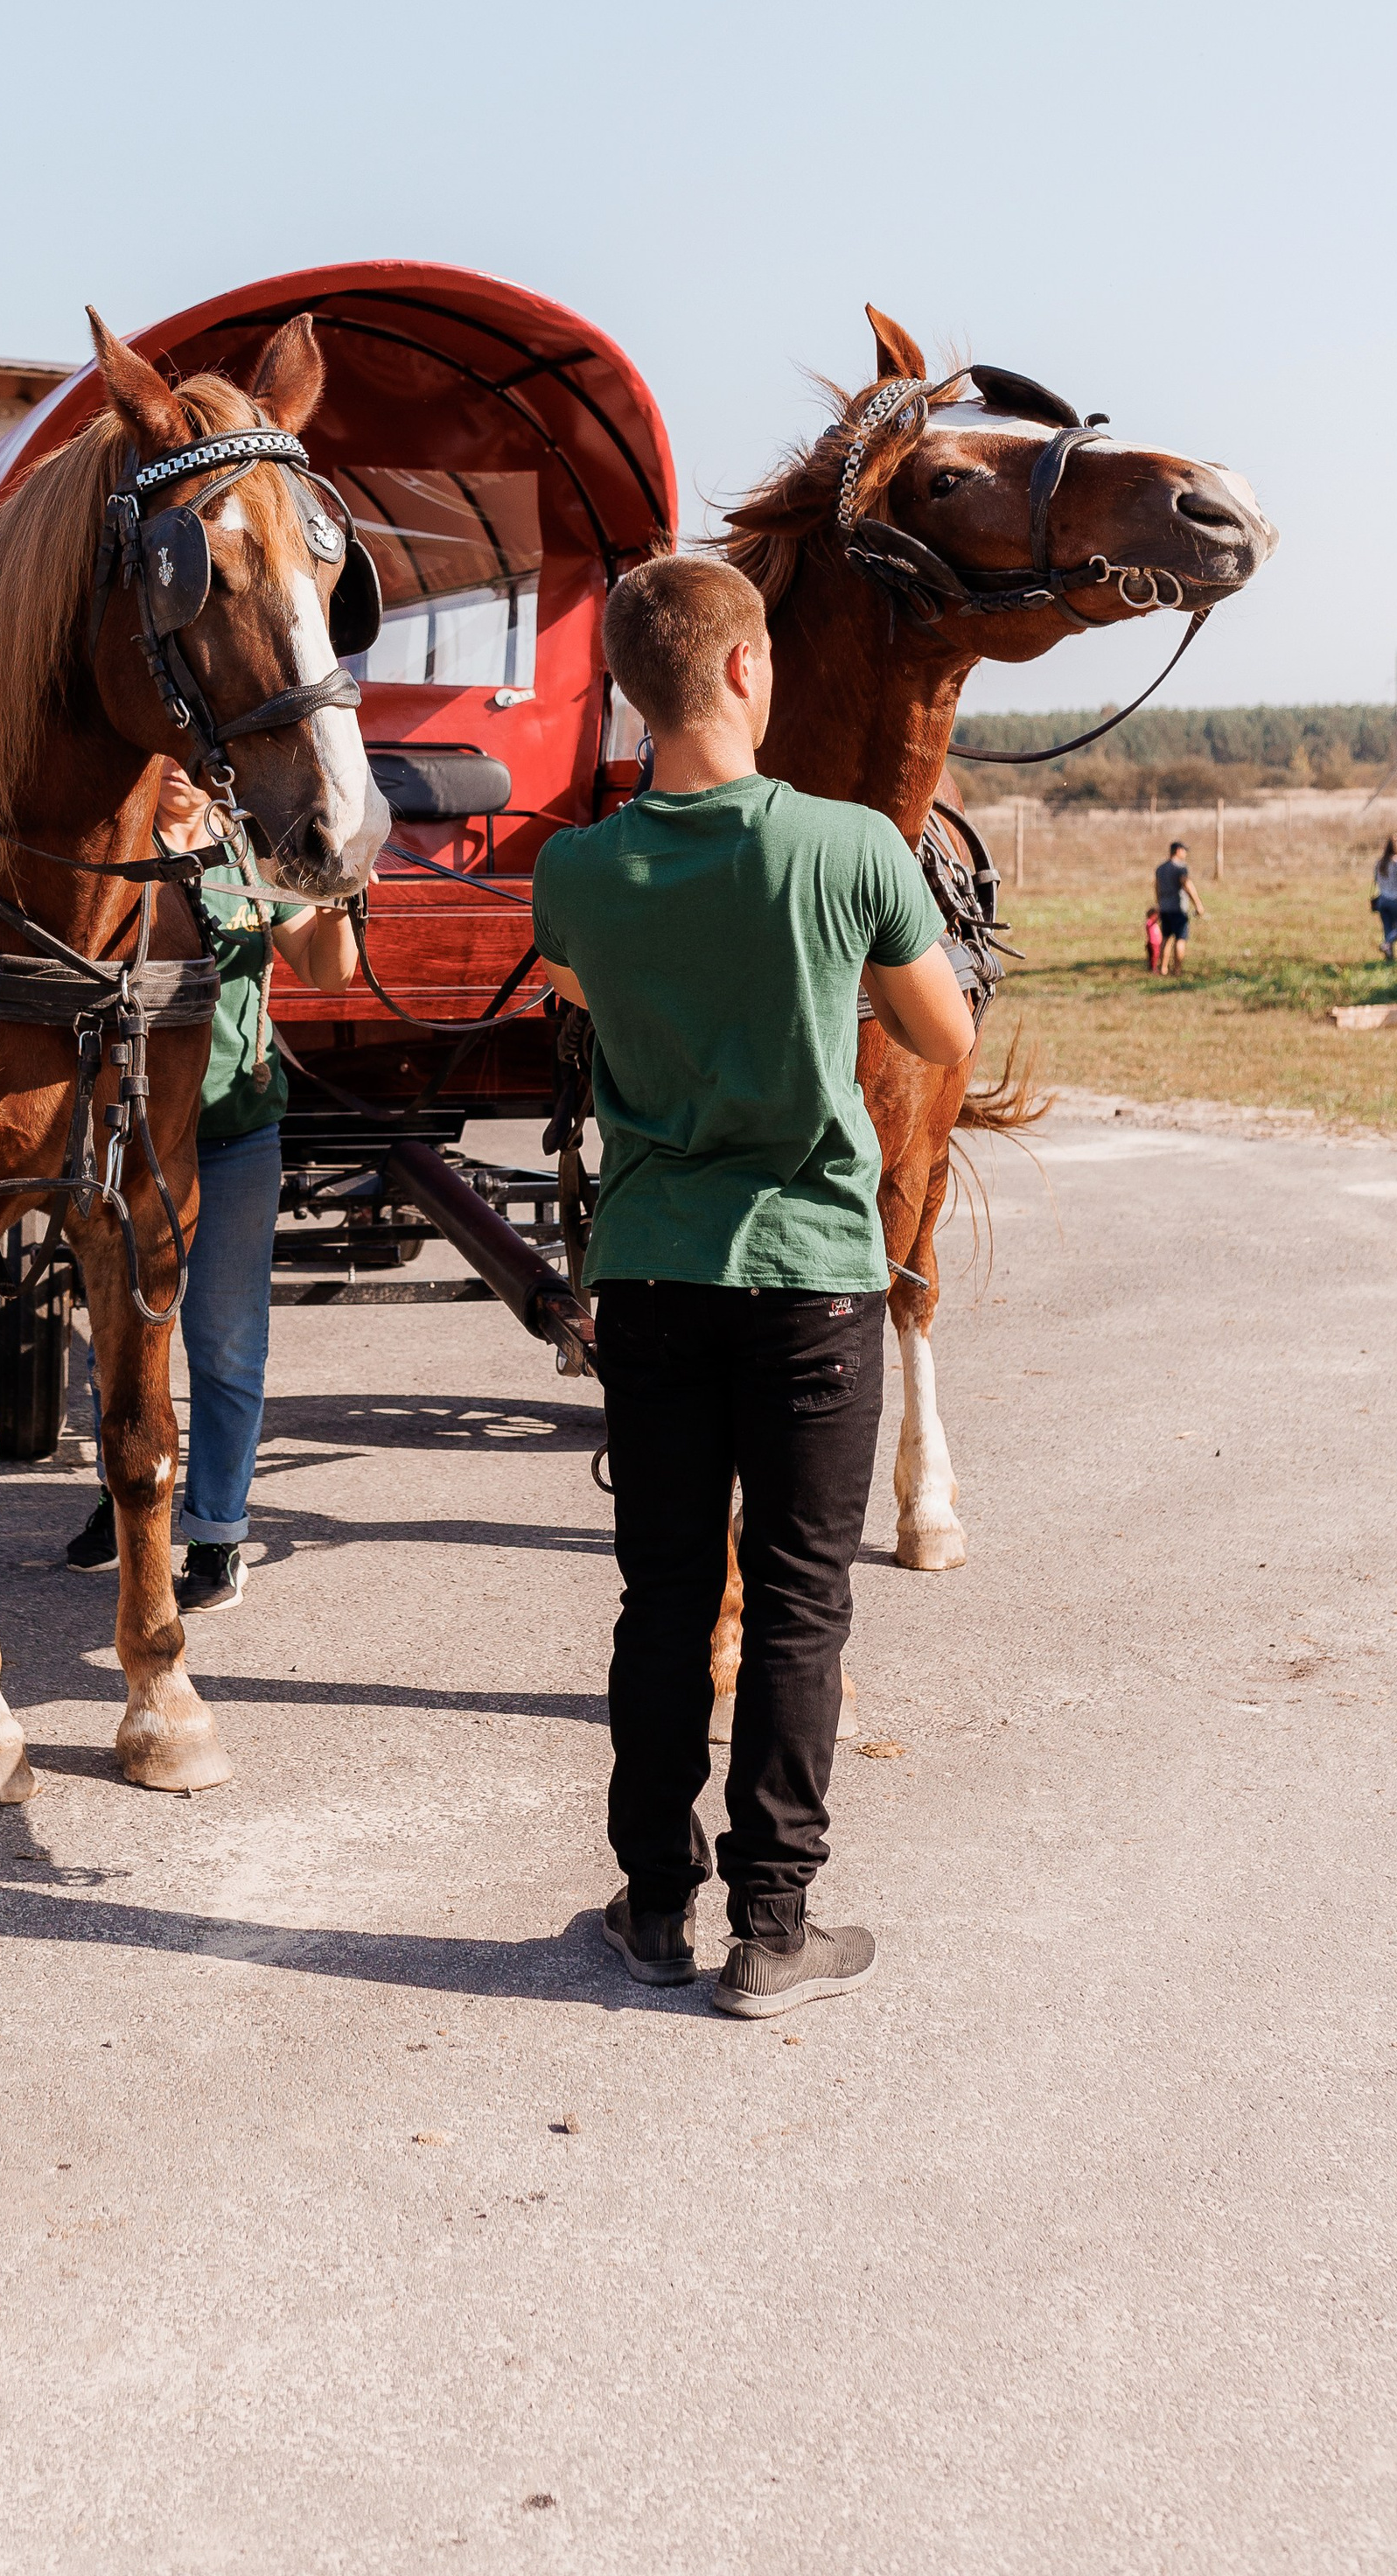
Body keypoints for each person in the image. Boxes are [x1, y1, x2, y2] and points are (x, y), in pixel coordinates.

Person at [532, 552, 974, 2023]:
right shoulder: (848, 849)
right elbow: (942, 1034)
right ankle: (773, 1929)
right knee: (797, 1602)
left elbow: (580, 990)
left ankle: (653, 1905)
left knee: (662, 1598)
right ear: (739, 671)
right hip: (813, 1284)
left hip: (652, 1277)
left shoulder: (578, 870)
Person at [66, 759, 359, 1606]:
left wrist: (339, 891)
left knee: (227, 1346)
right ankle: (116, 1499)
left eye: (202, 763)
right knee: (118, 1335)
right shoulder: (110, 853)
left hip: (233, 1132)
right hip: (128, 1135)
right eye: (170, 757)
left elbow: (328, 969)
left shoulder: (250, 850)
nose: (187, 775)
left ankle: (217, 1536)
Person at [1152, 839, 1202, 977]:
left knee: (1166, 938)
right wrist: (1197, 903)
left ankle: (1163, 968)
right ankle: (1177, 970)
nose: (1185, 853)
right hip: (1179, 909)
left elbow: (1157, 887)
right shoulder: (1181, 868)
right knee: (1180, 939)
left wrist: (1159, 904)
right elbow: (1187, 885)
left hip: (1165, 908)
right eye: (1184, 850)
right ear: (1178, 850)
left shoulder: (1160, 868)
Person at [1372, 836, 1397, 963]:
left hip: (1382, 899)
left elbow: (1376, 880)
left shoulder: (1379, 863)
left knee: (1388, 928)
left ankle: (1390, 958)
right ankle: (1387, 944)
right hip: (1396, 900)